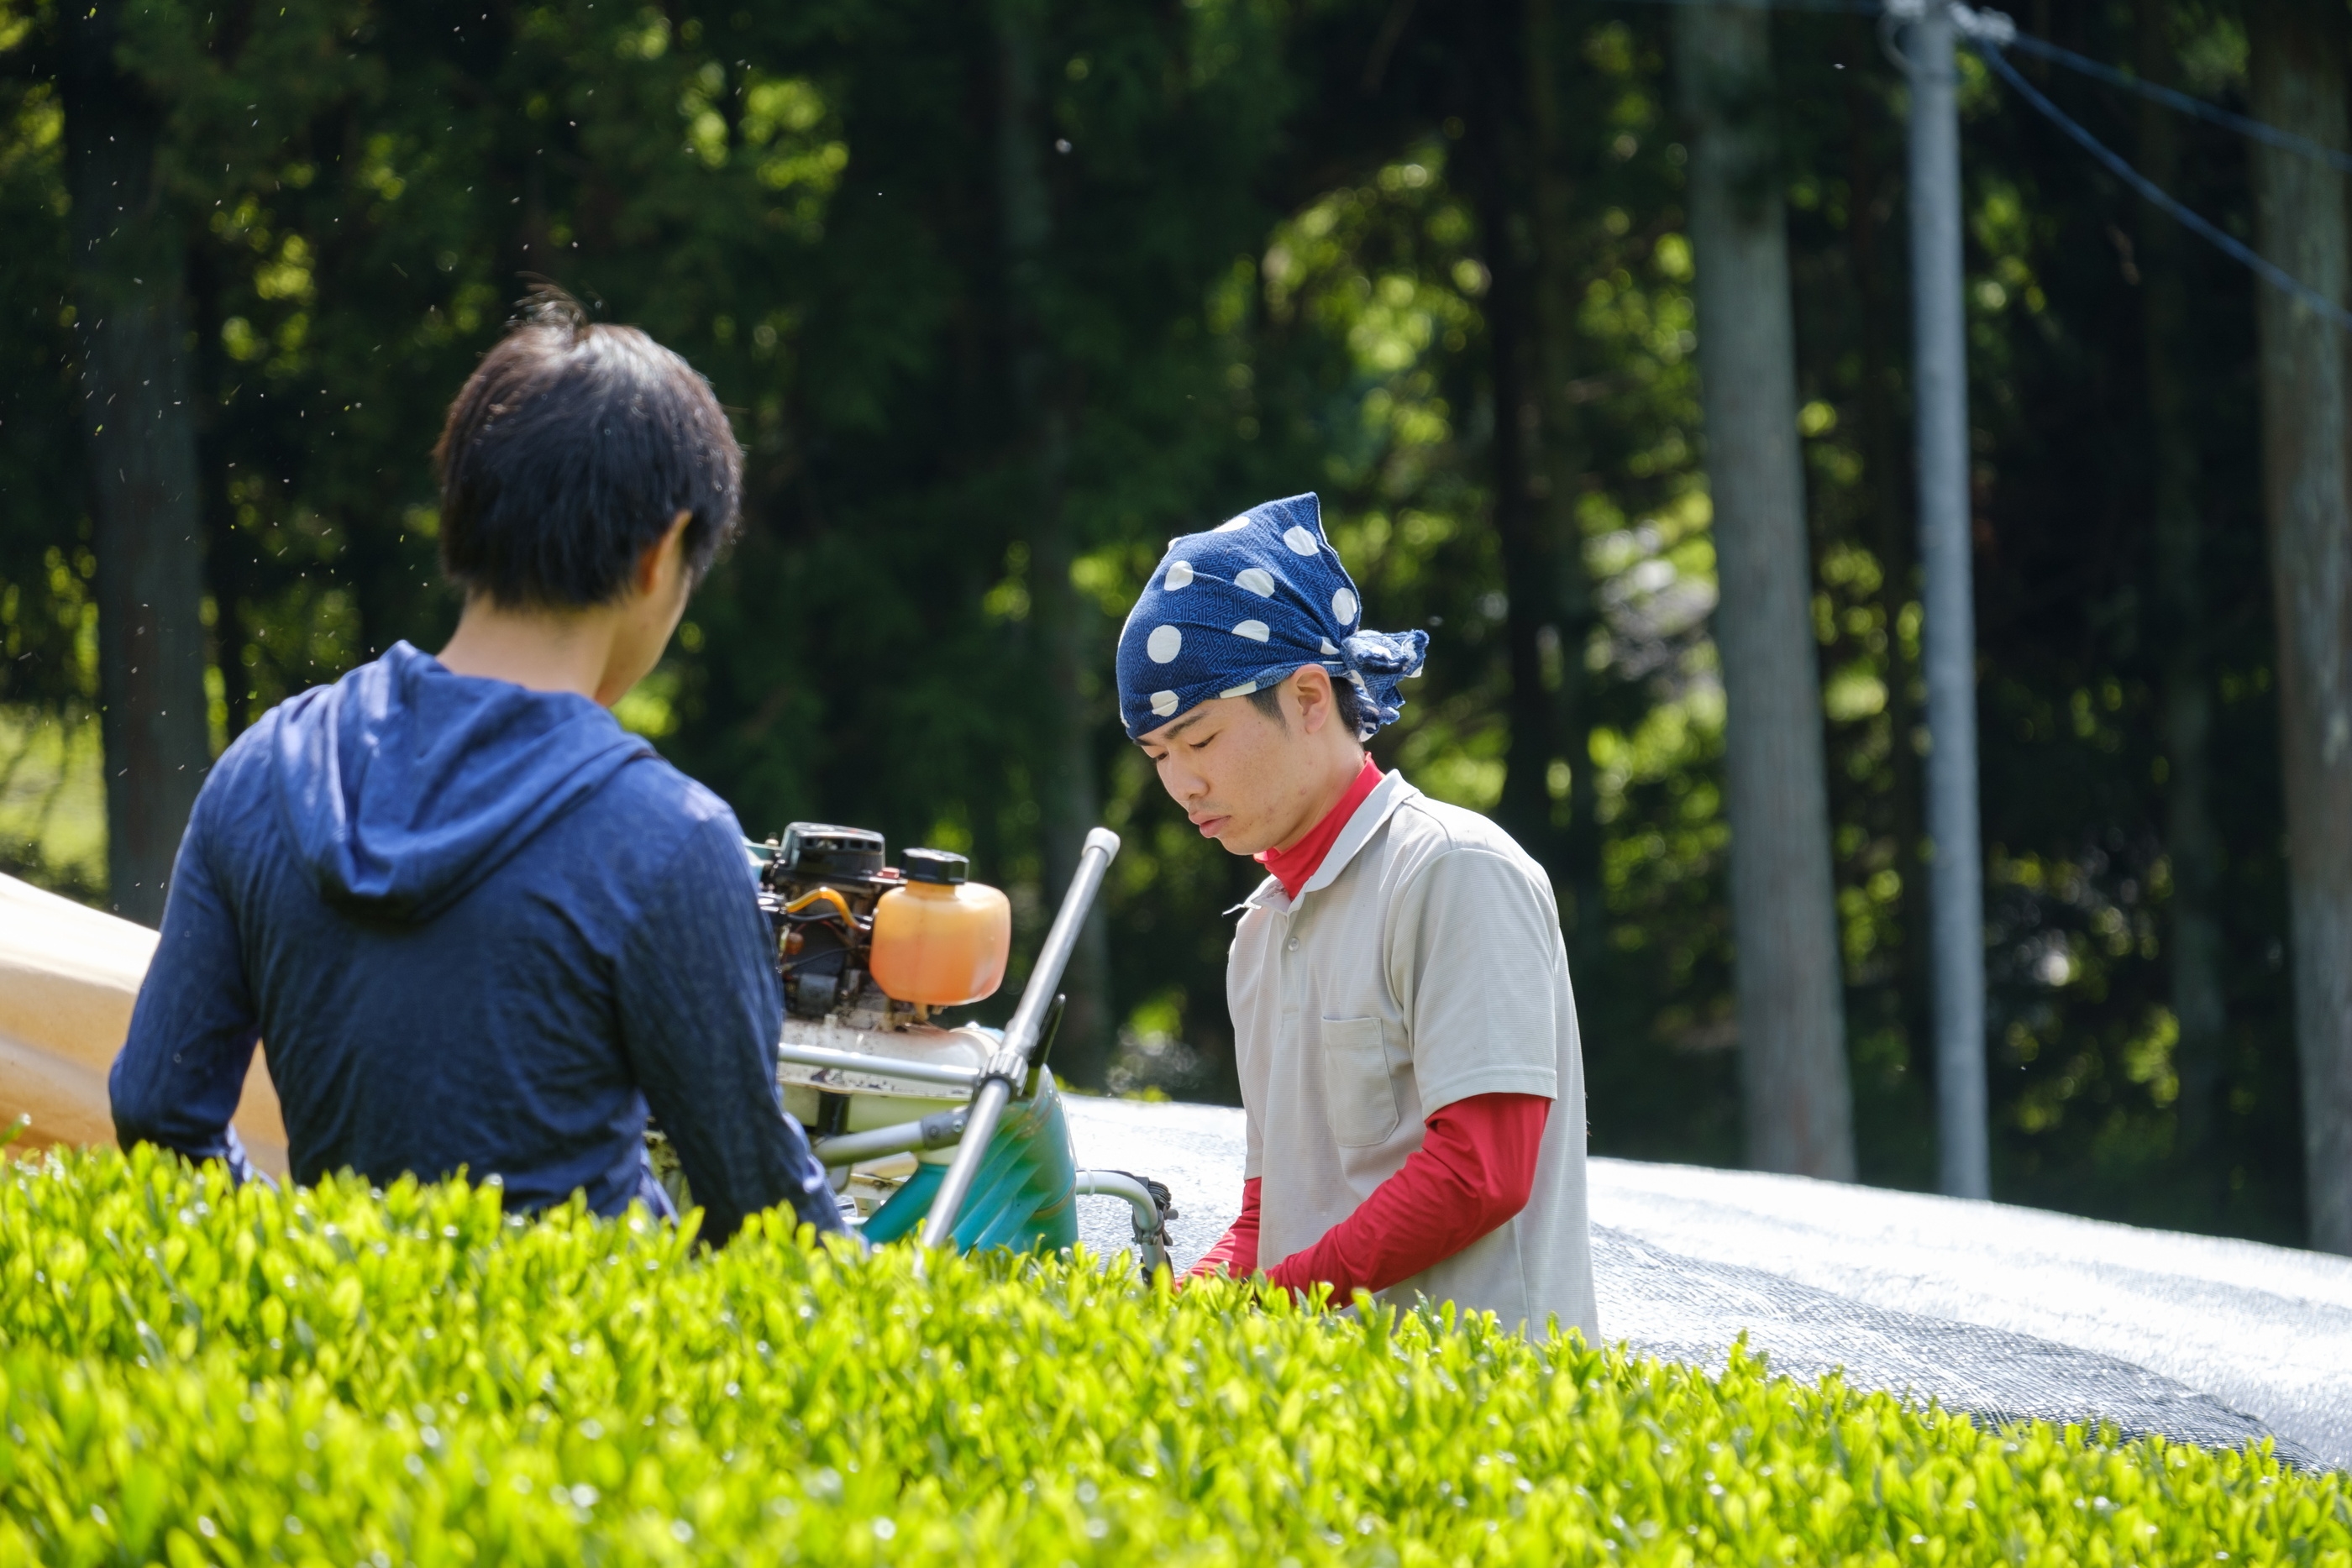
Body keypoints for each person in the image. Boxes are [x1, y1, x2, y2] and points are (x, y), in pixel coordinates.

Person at [109, 291, 843, 1245]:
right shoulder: (666, 840)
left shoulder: (264, 770)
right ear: (663, 555)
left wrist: (324, 1269)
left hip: (334, 1333)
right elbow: (770, 1225)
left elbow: (160, 1115)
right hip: (574, 1339)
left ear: (463, 507)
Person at [1118, 492, 1598, 1338]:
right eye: (1159, 755)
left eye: (1199, 740)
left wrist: (1265, 1305)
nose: (1182, 784)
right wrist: (1185, 1313)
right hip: (1329, 1403)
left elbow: (1481, 1171)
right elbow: (1271, 1216)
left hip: (1483, 1405)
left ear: (1310, 697)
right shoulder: (1259, 933)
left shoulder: (1453, 868)